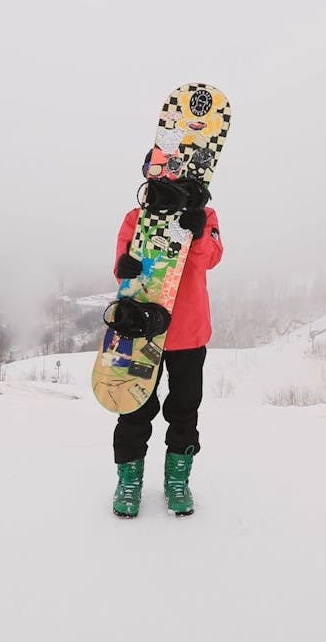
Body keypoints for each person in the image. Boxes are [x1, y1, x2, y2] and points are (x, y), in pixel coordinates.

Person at [112, 151, 223, 518]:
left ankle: (178, 480)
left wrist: (197, 233)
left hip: (188, 333)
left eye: (172, 167)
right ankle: (129, 480)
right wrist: (126, 266)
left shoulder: (205, 215)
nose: (164, 175)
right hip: (144, 329)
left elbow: (210, 259)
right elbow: (123, 271)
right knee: (135, 406)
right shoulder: (136, 218)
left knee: (184, 408)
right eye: (156, 168)